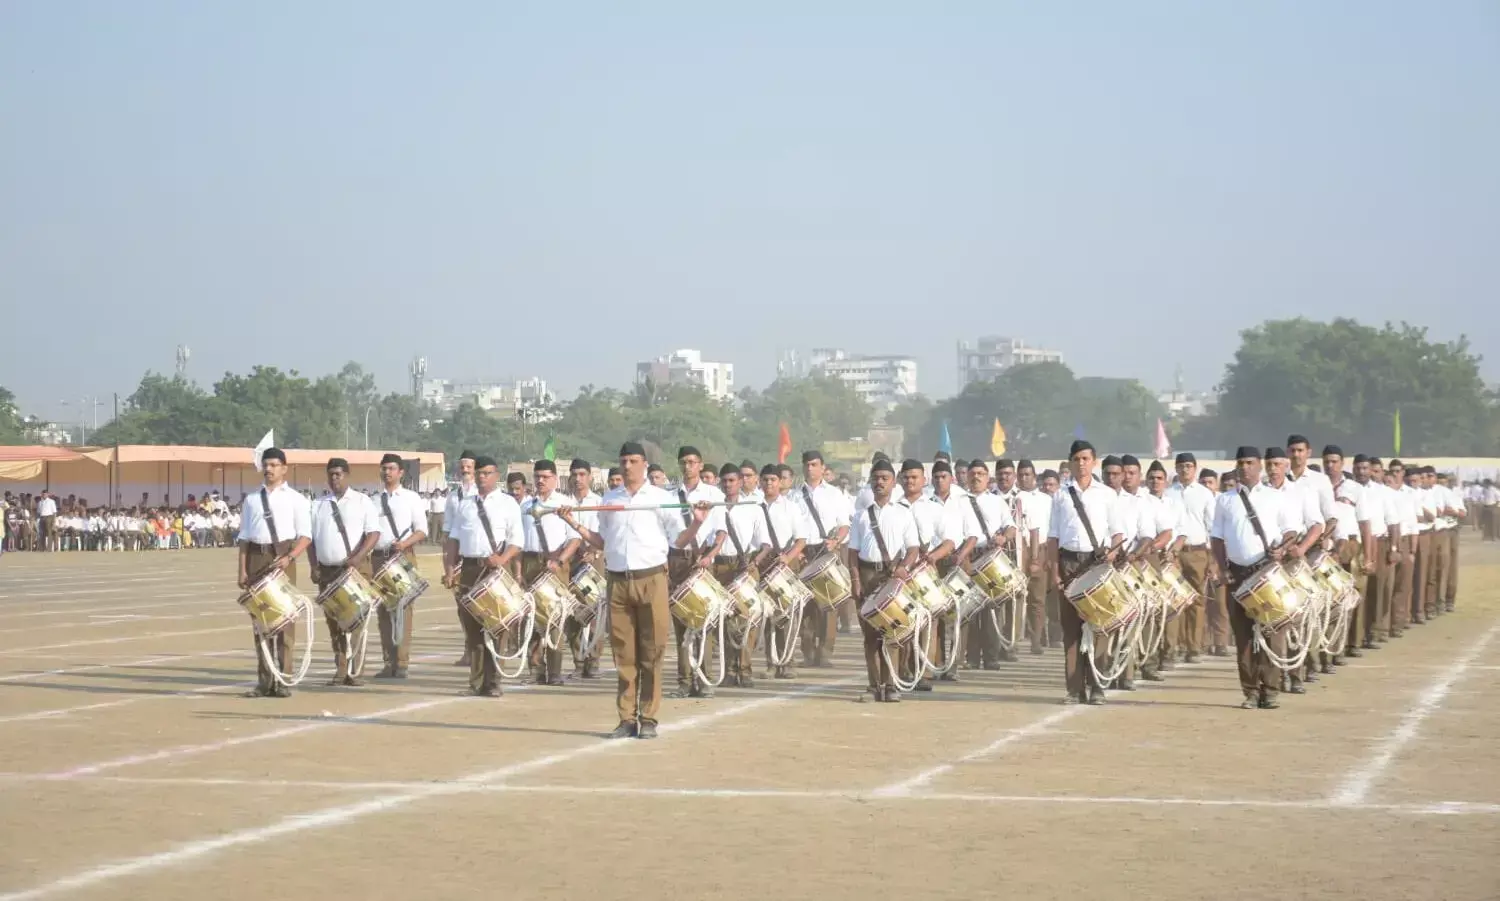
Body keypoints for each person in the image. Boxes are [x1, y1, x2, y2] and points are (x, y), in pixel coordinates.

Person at [559, 441, 713, 739]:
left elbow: (678, 541)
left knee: (652, 651)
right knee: (623, 654)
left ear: (644, 464)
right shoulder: (610, 499)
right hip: (618, 581)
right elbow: (602, 540)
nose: (627, 466)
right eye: (623, 461)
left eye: (632, 461)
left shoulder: (660, 498)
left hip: (651, 579)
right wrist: (572, 523)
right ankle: (627, 718)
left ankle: (649, 717)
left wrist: (696, 523)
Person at [1211, 447, 1309, 710]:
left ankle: (1271, 689)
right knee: (1243, 636)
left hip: (1266, 570)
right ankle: (1251, 691)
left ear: (1259, 465)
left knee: (1272, 631)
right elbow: (1217, 537)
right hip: (1236, 572)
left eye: (1250, 462)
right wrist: (1222, 567)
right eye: (1241, 462)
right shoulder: (1225, 500)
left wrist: (1283, 549)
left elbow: (1291, 531)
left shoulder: (1275, 497)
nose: (1245, 467)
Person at [1047, 440, 1125, 706]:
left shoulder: (1107, 494)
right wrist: (1055, 572)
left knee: (1099, 626)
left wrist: (1112, 555)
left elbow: (1117, 533)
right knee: (1071, 629)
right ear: (1070, 462)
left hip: (1096, 562)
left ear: (1094, 462)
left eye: (1085, 459)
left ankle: (1097, 687)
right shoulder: (1060, 495)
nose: (1081, 463)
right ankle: (1074, 689)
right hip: (1068, 563)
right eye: (1076, 459)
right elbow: (1053, 537)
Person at [442, 455, 524, 697]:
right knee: (472, 628)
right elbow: (453, 539)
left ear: (496, 476)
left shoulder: (507, 504)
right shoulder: (465, 504)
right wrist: (449, 569)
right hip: (469, 568)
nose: (481, 477)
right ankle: (476, 682)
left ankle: (494, 682)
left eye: (487, 473)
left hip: (495, 570)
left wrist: (502, 559)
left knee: (498, 626)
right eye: (479, 473)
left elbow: (517, 541)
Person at [236, 448, 313, 698]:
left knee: (284, 620)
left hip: (283, 559)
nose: (269, 469)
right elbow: (244, 538)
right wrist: (242, 570)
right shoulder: (251, 500)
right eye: (266, 465)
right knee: (260, 622)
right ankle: (264, 681)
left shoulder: (296, 499)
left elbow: (305, 537)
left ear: (284, 468)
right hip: (257, 559)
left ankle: (284, 680)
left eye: (274, 465)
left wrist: (290, 557)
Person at [848, 459, 920, 703]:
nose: (880, 482)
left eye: (884, 478)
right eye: (876, 478)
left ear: (893, 482)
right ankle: (873, 686)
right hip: (867, 575)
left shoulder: (903, 513)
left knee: (893, 632)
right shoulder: (860, 516)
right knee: (870, 636)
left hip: (891, 576)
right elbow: (852, 552)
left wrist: (904, 567)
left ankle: (890, 685)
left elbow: (913, 548)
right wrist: (855, 580)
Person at [310, 458, 382, 686]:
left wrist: (358, 558)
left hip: (354, 569)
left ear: (347, 476)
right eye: (331, 474)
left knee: (356, 620)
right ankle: (340, 669)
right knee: (334, 622)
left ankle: (356, 671)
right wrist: (313, 565)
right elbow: (310, 540)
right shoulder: (318, 504)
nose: (334, 478)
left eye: (338, 474)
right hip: (327, 571)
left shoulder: (362, 501)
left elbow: (373, 533)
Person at [668, 446, 726, 699]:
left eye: (692, 462)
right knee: (681, 621)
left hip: (702, 559)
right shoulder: (670, 495)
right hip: (676, 560)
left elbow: (721, 532)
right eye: (683, 462)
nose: (687, 466)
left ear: (701, 465)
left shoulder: (713, 494)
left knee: (704, 621)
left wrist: (710, 556)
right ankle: (684, 681)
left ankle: (704, 679)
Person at [520, 459, 582, 685]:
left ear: (555, 479)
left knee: (555, 617)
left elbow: (575, 539)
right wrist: (519, 571)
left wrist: (560, 560)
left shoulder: (564, 504)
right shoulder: (525, 506)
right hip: (530, 562)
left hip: (556, 564)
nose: (541, 481)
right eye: (537, 476)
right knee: (531, 617)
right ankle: (535, 670)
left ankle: (554, 672)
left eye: (546, 477)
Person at [370, 453, 427, 679]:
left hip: (402, 556)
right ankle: (388, 663)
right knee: (383, 611)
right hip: (379, 558)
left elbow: (421, 530)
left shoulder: (411, 498)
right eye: (384, 468)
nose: (387, 472)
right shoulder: (373, 500)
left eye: (391, 468)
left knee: (403, 609)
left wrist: (404, 544)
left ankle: (402, 662)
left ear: (401, 472)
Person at [795, 450, 852, 668]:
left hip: (826, 549)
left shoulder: (834, 494)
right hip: (803, 552)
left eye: (814, 464)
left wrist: (836, 541)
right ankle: (808, 652)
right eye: (807, 465)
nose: (810, 468)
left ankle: (825, 652)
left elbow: (844, 525)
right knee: (806, 605)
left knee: (828, 603)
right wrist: (797, 551)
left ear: (823, 467)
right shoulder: (794, 495)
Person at [716, 463, 770, 686]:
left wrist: (754, 563)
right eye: (724, 481)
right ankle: (729, 670)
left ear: (740, 482)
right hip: (719, 568)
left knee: (748, 620)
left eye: (732, 480)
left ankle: (745, 670)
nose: (728, 485)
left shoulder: (753, 508)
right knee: (723, 620)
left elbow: (766, 544)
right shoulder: (714, 507)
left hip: (745, 565)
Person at [756, 463, 809, 680]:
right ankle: (771, 663)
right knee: (768, 615)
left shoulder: (791, 507)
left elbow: (801, 539)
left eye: (773, 480)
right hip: (762, 564)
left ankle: (787, 662)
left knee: (787, 615)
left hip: (785, 563)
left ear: (780, 482)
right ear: (760, 482)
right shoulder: (754, 506)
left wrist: (788, 558)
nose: (769, 483)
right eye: (765, 479)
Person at [964, 459, 1017, 669]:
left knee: (991, 608)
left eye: (980, 474)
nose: (976, 477)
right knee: (970, 609)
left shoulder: (997, 502)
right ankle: (971, 657)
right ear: (967, 477)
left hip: (990, 557)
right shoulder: (958, 501)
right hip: (967, 557)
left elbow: (1011, 527)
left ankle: (991, 656)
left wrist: (1004, 538)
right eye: (972, 474)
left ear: (988, 478)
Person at [1168, 453, 1218, 661]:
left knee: (1197, 600)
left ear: (1195, 468)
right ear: (1176, 468)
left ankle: (1194, 646)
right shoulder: (1169, 493)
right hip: (1174, 553)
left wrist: (1213, 559)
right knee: (1175, 598)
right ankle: (1176, 645)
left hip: (1198, 551)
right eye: (1181, 466)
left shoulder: (1205, 494)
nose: (1185, 470)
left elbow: (1213, 527)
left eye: (1189, 466)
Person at [565, 459, 606, 677]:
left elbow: (605, 534)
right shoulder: (564, 503)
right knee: (573, 612)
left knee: (595, 611)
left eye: (582, 474)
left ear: (590, 477)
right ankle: (578, 661)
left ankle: (594, 660)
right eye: (574, 474)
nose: (578, 479)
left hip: (594, 559)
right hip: (570, 559)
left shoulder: (599, 502)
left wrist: (595, 552)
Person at [1015, 460, 1055, 654]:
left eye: (1027, 474)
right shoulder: (1015, 498)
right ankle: (1014, 639)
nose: (1024, 478)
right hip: (1020, 549)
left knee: (1038, 598)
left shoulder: (1047, 500)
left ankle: (1037, 640)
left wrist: (1042, 556)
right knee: (1017, 595)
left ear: (1034, 476)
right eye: (1021, 475)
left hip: (1042, 548)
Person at [445, 450, 479, 667]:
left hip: (478, 556)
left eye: (469, 467)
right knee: (463, 608)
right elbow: (447, 532)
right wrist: (448, 566)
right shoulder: (452, 496)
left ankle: (483, 652)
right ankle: (469, 649)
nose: (465, 470)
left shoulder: (481, 494)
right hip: (459, 558)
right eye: (462, 467)